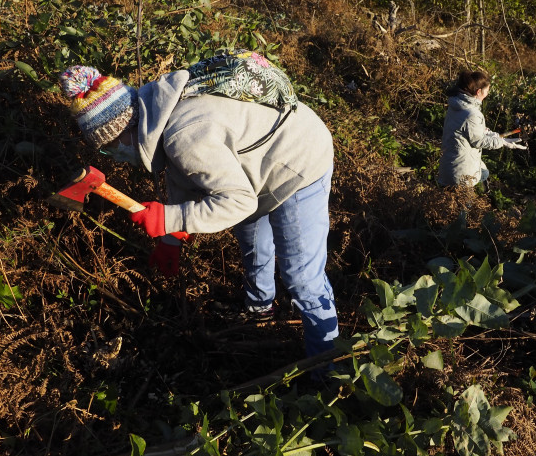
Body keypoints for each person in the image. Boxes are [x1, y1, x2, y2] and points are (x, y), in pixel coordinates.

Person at [58, 61, 339, 359]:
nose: (113, 156)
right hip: (255, 166)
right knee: (253, 243)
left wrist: (170, 218)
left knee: (301, 277)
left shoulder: (183, 133)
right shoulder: (160, 115)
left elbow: (240, 202)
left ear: (124, 128)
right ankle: (260, 311)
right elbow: (188, 177)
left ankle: (328, 367)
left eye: (109, 147)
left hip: (299, 160)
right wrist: (172, 238)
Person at [436, 70, 526, 187]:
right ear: (478, 92)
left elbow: (465, 129)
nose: (488, 94)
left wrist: (488, 133)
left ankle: (483, 193)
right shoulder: (471, 113)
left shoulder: (457, 105)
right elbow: (479, 141)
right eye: (487, 91)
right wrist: (501, 142)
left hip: (448, 164)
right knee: (463, 203)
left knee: (484, 173)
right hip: (460, 174)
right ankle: (481, 197)